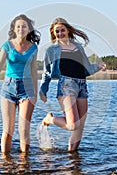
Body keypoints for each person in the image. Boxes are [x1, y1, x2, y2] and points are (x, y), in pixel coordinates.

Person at [39, 17, 106, 151]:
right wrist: (43, 90)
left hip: (82, 85)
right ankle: (50, 119)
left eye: (62, 30)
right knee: (73, 124)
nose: (60, 34)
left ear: (68, 30)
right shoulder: (52, 50)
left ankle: (72, 154)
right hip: (66, 86)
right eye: (56, 32)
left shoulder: (78, 46)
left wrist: (98, 66)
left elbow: (85, 68)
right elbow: (47, 72)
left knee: (80, 125)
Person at [0, 14, 40, 154]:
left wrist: (36, 91)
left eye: (24, 26)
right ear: (14, 29)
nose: (21, 29)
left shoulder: (33, 48)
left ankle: (24, 163)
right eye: (18, 26)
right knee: (8, 130)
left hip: (27, 89)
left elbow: (33, 70)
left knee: (24, 129)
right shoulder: (7, 45)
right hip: (8, 88)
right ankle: (5, 162)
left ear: (28, 29)